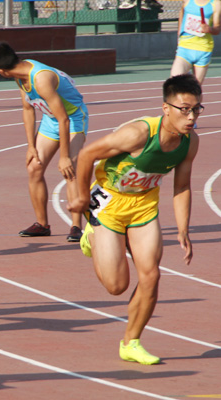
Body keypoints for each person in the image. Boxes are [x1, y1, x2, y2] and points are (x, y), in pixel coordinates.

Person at [69, 74, 200, 365]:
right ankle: (92, 235)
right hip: (109, 204)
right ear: (166, 108)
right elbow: (88, 154)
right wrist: (79, 198)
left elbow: (182, 187)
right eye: (185, 109)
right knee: (117, 286)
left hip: (143, 207)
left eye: (196, 110)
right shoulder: (138, 134)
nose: (191, 117)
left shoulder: (189, 143)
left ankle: (131, 342)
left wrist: (183, 229)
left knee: (151, 274)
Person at [0, 41, 88, 242]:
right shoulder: (19, 75)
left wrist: (65, 156)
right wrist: (31, 147)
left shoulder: (41, 79)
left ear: (1, 71)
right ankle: (42, 224)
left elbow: (64, 119)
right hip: (51, 120)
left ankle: (76, 226)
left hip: (73, 118)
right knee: (34, 167)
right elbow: (27, 109)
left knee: (70, 170)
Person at [170, 0, 221, 85]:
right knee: (175, 80)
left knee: (196, 88)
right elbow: (182, 13)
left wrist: (209, 29)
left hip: (203, 49)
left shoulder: (216, 3)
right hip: (185, 47)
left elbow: (217, 29)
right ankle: (187, 76)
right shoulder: (187, 1)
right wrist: (179, 34)